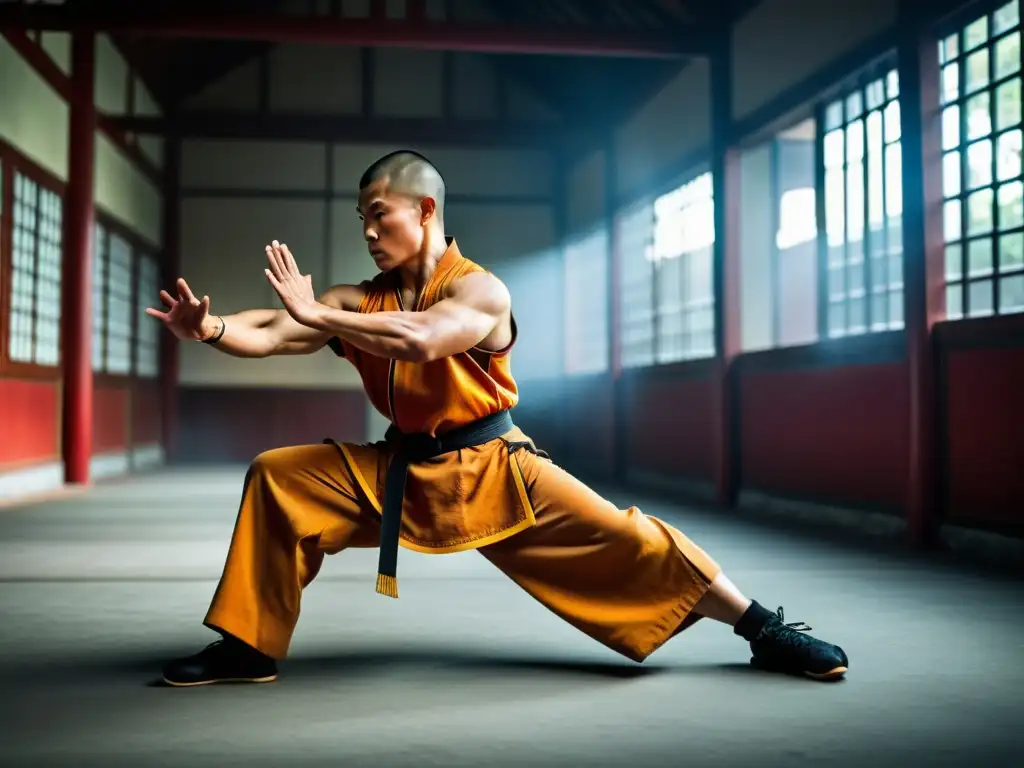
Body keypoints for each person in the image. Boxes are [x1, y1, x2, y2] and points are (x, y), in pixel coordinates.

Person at [150, 150, 849, 687]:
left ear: (424, 209)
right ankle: (246, 647)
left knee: (629, 538)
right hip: (399, 468)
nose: (366, 230)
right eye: (360, 218)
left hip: (494, 467)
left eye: (377, 213)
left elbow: (423, 336)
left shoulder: (481, 289)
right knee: (280, 477)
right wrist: (208, 328)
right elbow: (271, 329)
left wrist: (320, 314)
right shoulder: (356, 300)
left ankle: (764, 630)